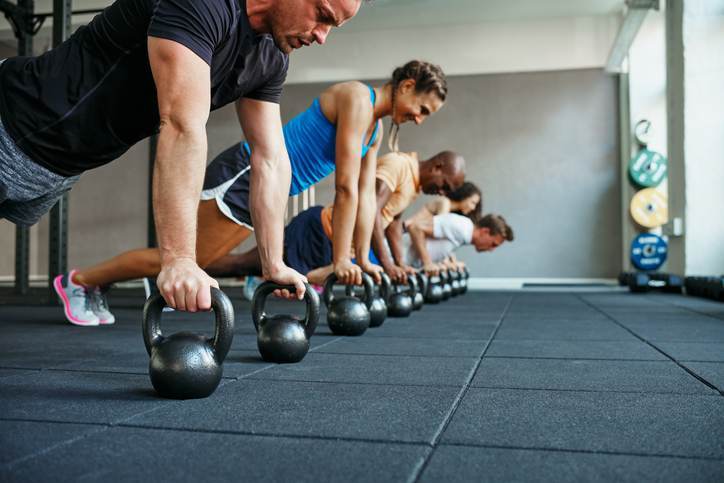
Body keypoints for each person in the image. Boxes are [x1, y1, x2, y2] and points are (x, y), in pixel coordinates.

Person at [0, 0, 364, 317]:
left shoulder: (270, 58)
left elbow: (270, 157)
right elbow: (181, 125)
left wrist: (274, 263)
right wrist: (178, 259)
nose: (321, 36)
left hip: (55, 164)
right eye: (323, 15)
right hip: (12, 119)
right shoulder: (202, 5)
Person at [57, 60, 447, 326]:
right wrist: (340, 257)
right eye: (422, 108)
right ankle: (80, 280)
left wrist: (360, 259)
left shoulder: (374, 131)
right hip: (246, 174)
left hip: (266, 190)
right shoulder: (357, 99)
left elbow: (363, 198)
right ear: (407, 86)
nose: (418, 118)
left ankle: (95, 281)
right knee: (177, 259)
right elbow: (344, 189)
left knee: (201, 260)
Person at [206, 149, 466, 289]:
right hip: (319, 232)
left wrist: (399, 263)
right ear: (437, 167)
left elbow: (393, 225)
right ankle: (177, 273)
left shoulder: (413, 185)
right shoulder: (400, 166)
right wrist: (388, 264)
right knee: (242, 264)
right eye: (444, 185)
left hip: (331, 244)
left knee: (280, 278)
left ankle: (193, 271)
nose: (441, 193)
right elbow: (371, 210)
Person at [406, 213, 514, 276]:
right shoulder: (461, 227)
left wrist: (446, 262)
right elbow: (415, 227)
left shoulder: (464, 235)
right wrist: (427, 263)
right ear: (485, 232)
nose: (491, 250)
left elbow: (437, 244)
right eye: (493, 244)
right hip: (395, 258)